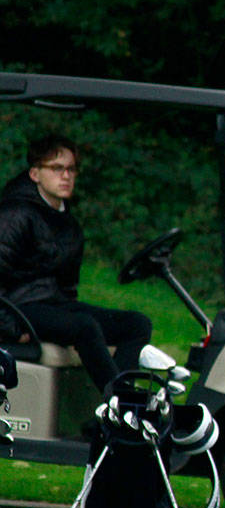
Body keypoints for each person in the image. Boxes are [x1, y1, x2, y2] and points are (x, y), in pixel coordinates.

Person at [0, 135, 153, 392]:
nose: (66, 176)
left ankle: (116, 403)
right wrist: (10, 329)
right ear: (35, 174)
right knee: (84, 326)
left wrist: (66, 314)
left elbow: (68, 287)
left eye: (71, 169)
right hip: (19, 307)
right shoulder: (14, 215)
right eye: (57, 168)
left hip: (54, 305)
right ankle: (120, 406)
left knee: (137, 324)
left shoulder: (68, 224)